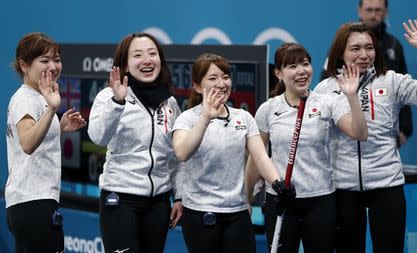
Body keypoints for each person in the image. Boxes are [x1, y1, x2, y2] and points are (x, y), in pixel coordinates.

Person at [314, 20, 417, 253]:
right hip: (343, 188)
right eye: (355, 49)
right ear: (340, 53)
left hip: (387, 185)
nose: (364, 54)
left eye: (369, 47)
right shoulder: (326, 89)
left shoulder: (391, 81)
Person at [245, 43, 368, 253]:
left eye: (305, 64)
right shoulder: (268, 109)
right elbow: (257, 156)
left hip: (320, 199)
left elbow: (359, 133)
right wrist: (246, 197)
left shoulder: (327, 102)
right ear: (278, 73)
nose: (302, 71)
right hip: (281, 200)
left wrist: (352, 96)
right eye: (292, 66)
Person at [171, 53, 296, 253]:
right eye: (212, 78)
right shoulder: (186, 119)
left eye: (225, 77)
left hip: (237, 212)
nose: (221, 83)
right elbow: (182, 152)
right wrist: (205, 117)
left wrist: (277, 182)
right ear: (196, 86)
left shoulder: (244, 117)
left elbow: (260, 156)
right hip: (200, 213)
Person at [88, 33, 184, 253]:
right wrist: (117, 102)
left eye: (152, 53)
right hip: (120, 200)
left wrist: (178, 196)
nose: (147, 60)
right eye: (138, 55)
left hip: (158, 203)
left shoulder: (169, 102)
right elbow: (98, 136)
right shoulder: (108, 96)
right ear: (125, 65)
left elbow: (176, 156)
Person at [5, 32, 86, 252]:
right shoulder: (25, 99)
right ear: (24, 65)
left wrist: (59, 127)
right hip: (32, 203)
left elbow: (34, 140)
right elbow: (28, 144)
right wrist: (52, 110)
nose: (53, 66)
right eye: (44, 60)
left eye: (56, 59)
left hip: (36, 202)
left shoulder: (38, 97)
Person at [320, 0, 413, 148]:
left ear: (386, 12)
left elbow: (403, 92)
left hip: (382, 141)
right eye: (369, 10)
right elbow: (327, 81)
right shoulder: (343, 41)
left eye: (378, 10)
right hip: (347, 133)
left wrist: (405, 130)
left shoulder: (394, 46)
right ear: (359, 10)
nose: (373, 15)